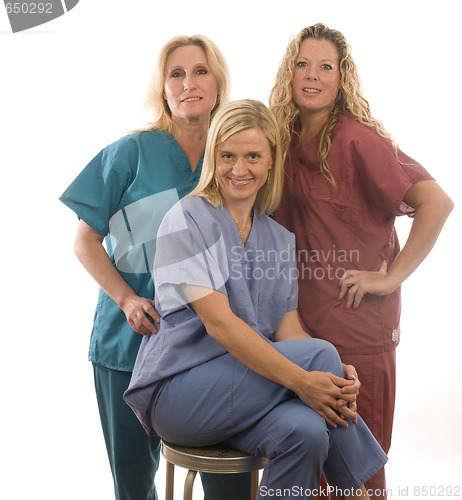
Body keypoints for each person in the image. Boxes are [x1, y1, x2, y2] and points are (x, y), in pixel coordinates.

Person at [124, 99, 388, 500]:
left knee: (308, 432)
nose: (239, 169)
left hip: (248, 392)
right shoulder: (187, 219)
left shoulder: (278, 239)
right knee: (321, 356)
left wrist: (331, 373)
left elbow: (288, 329)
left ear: (270, 162)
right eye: (227, 155)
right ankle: (361, 494)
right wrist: (310, 376)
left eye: (252, 156)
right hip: (179, 395)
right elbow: (220, 324)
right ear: (214, 157)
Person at [59, 34, 252, 500]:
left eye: (201, 71)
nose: (189, 83)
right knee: (133, 484)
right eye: (176, 74)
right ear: (162, 88)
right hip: (128, 343)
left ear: (218, 82)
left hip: (209, 347)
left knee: (228, 483)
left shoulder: (234, 159)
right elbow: (85, 240)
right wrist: (126, 299)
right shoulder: (130, 154)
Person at [269, 23, 454, 500]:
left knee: (359, 476)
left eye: (325, 66)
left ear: (341, 77)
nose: (312, 75)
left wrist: (390, 276)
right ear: (289, 73)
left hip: (356, 330)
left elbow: (436, 201)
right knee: (308, 469)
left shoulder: (357, 139)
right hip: (298, 334)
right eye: (302, 64)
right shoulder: (281, 140)